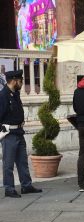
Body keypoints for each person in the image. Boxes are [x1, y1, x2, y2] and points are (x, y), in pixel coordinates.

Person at [0, 70, 42, 198]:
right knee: (8, 164)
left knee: (22, 162)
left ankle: (26, 185)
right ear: (14, 80)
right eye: (21, 81)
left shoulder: (15, 93)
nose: (22, 83)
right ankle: (9, 188)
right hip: (9, 134)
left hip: (19, 132)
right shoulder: (3, 96)